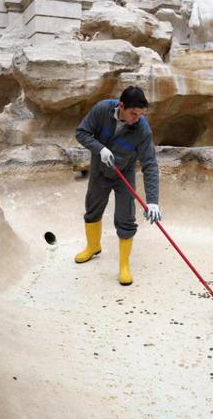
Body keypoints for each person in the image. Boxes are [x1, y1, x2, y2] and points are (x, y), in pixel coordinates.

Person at [75, 86, 160, 286]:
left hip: (124, 175)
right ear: (121, 106)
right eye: (133, 113)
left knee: (126, 218)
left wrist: (153, 202)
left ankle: (124, 266)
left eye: (140, 114)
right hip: (99, 170)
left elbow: (150, 164)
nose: (137, 118)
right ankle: (93, 247)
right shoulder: (102, 110)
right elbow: (81, 132)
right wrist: (100, 148)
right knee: (92, 209)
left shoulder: (142, 129)